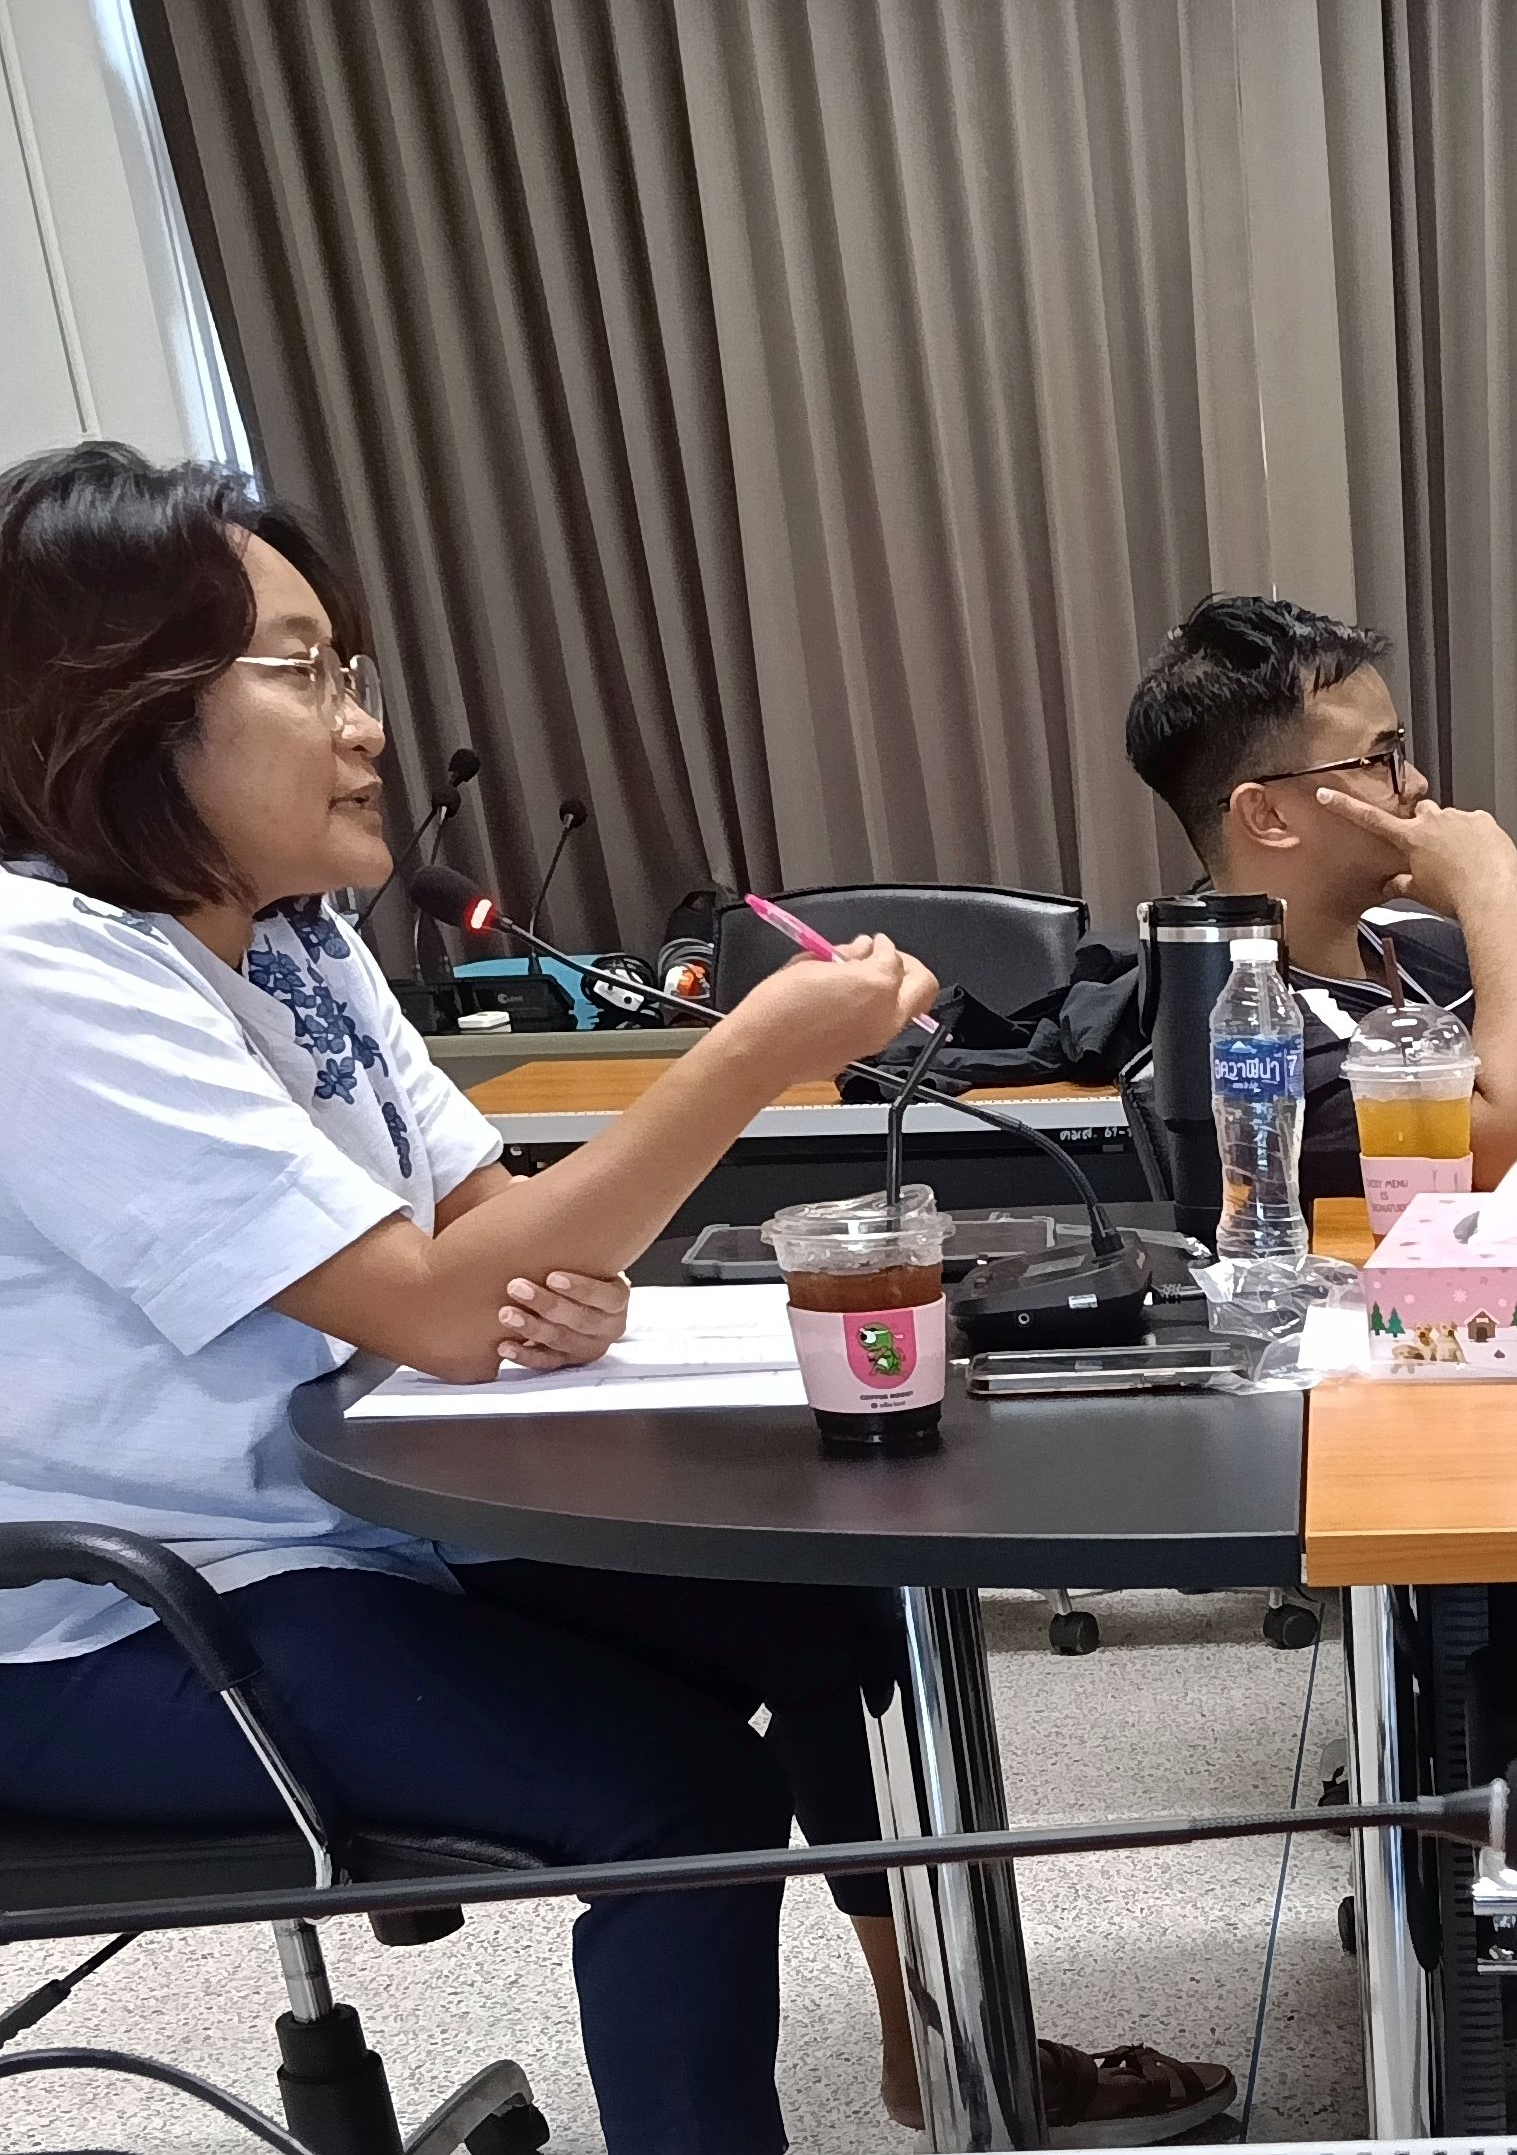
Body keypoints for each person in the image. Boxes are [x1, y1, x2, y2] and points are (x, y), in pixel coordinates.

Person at [0, 444, 1231, 2155]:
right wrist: (748, 1056)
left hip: (344, 1535)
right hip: (119, 1619)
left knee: (829, 1605)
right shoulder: (44, 971)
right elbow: (447, 1305)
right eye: (303, 672)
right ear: (116, 708)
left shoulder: (296, 939)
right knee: (679, 1795)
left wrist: (531, 1282)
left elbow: (492, 1231)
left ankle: (946, 2048)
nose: (363, 726)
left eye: (350, 669)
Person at [1124, 594, 1517, 1196]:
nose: (1416, 783)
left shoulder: (1429, 943)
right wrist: (1488, 891)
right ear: (1268, 815)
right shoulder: (1261, 1040)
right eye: (1379, 759)